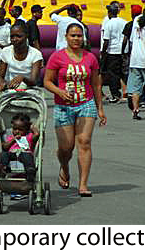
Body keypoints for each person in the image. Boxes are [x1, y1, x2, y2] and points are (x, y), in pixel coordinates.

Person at [44, 23, 106, 197]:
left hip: (86, 104)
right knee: (66, 147)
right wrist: (60, 92)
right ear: (66, 37)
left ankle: (83, 184)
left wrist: (100, 108)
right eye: (73, 35)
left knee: (84, 142)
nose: (76, 39)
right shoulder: (57, 57)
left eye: (79, 35)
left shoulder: (90, 58)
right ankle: (64, 167)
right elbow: (47, 81)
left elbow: (96, 84)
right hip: (63, 106)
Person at [0, 113, 40, 182]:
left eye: (20, 129)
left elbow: (37, 134)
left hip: (24, 153)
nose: (17, 131)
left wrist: (32, 127)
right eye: (15, 129)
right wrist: (13, 140)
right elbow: (5, 147)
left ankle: (30, 172)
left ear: (26, 129)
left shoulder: (28, 136)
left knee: (28, 156)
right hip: (12, 153)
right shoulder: (10, 137)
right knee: (3, 154)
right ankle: (2, 168)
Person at [0, 21, 43, 92]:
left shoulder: (35, 54)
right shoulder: (5, 51)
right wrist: (1, 83)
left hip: (30, 90)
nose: (15, 39)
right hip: (12, 89)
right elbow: (0, 76)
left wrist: (23, 78)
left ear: (26, 35)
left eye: (19, 36)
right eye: (12, 37)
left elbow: (34, 81)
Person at [101, 2, 127, 103]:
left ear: (109, 13)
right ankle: (126, 91)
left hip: (112, 51)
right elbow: (126, 37)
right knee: (122, 73)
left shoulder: (109, 24)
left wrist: (103, 52)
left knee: (113, 74)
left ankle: (115, 94)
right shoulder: (124, 22)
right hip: (122, 51)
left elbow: (106, 40)